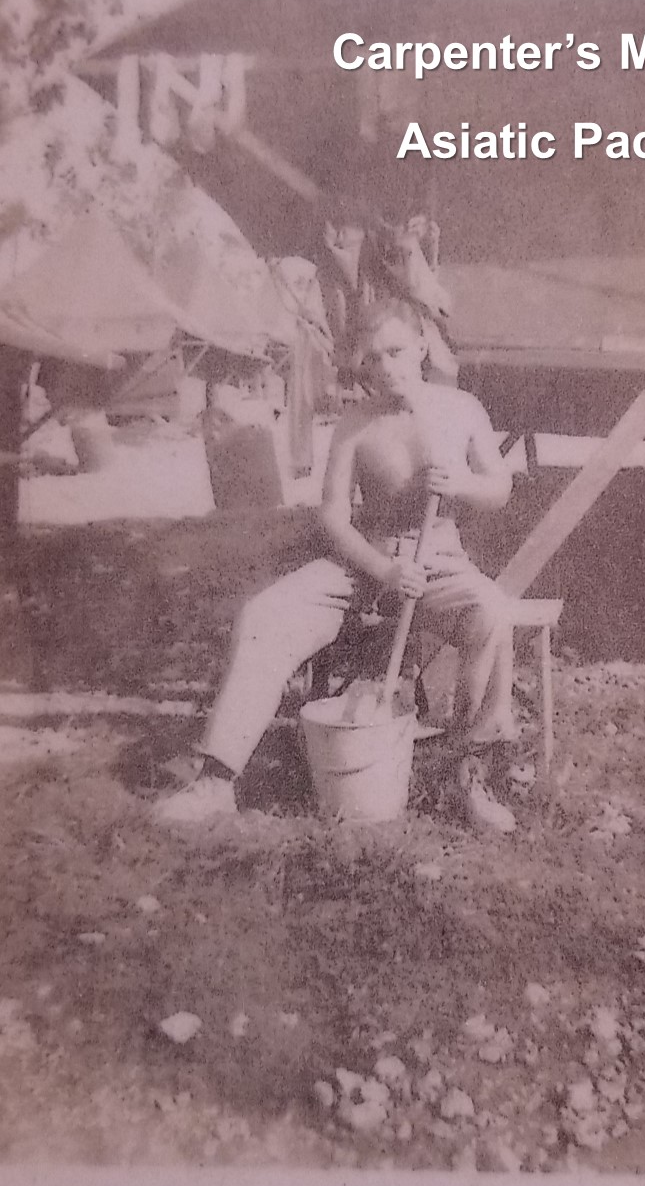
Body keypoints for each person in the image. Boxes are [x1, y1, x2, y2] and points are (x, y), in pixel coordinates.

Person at [154, 302, 515, 825]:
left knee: (492, 612)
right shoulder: (355, 422)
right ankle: (216, 779)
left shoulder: (460, 410)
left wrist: (461, 482)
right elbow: (333, 515)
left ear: (421, 346)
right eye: (373, 359)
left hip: (438, 558)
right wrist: (383, 570)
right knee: (264, 616)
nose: (385, 367)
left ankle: (470, 773)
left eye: (395, 352)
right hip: (363, 562)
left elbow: (500, 488)